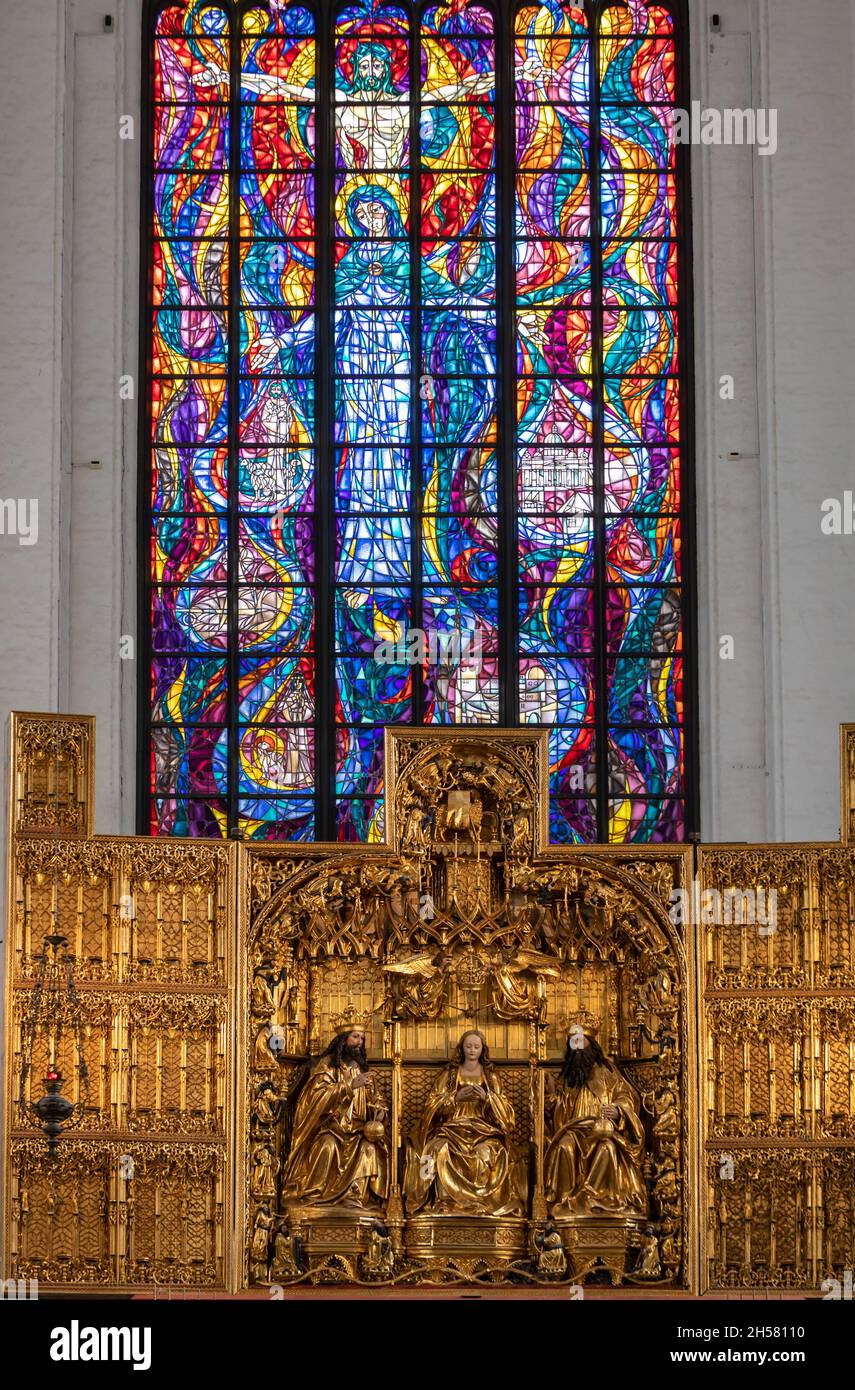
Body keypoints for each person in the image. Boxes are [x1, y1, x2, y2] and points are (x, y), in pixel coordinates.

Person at [404, 1030, 525, 1216]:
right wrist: (456, 1098)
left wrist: (487, 1098)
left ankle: (481, 1203)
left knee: (491, 1152)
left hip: (482, 1130)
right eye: (468, 1046)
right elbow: (431, 1105)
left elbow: (507, 1112)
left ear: (483, 1049)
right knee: (435, 1149)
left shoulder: (490, 1078)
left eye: (476, 1047)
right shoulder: (450, 1075)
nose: (472, 1050)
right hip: (452, 1128)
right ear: (461, 1048)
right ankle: (438, 1201)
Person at [280, 1012, 388, 1209]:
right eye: (355, 1037)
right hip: (331, 1128)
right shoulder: (328, 1065)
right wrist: (348, 1086)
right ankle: (314, 1196)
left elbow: (376, 1098)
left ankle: (354, 1198)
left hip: (358, 1132)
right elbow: (315, 1097)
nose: (359, 1042)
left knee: (369, 1149)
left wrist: (379, 1112)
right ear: (342, 1040)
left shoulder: (363, 1069)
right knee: (326, 1147)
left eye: (362, 1038)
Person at [544, 1019, 647, 1217]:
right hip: (574, 1130)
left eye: (580, 1040)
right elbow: (560, 1111)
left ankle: (595, 1198)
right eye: (572, 1041)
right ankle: (566, 1204)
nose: (577, 1045)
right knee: (563, 1146)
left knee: (607, 1148)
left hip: (602, 1131)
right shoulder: (568, 1078)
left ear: (591, 1042)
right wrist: (550, 1094)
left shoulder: (607, 1071)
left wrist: (619, 1111)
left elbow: (626, 1095)